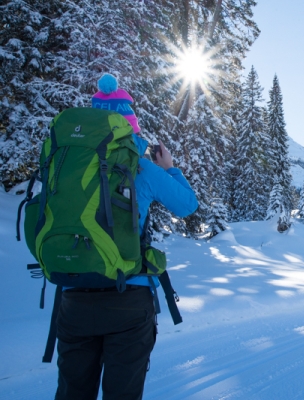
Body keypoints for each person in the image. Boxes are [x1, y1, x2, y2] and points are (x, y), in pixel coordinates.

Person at [54, 73, 198, 400]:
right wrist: (170, 168)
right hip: (127, 296)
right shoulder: (141, 168)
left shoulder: (70, 163)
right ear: (130, 126)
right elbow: (187, 206)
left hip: (74, 296)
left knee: (72, 393)